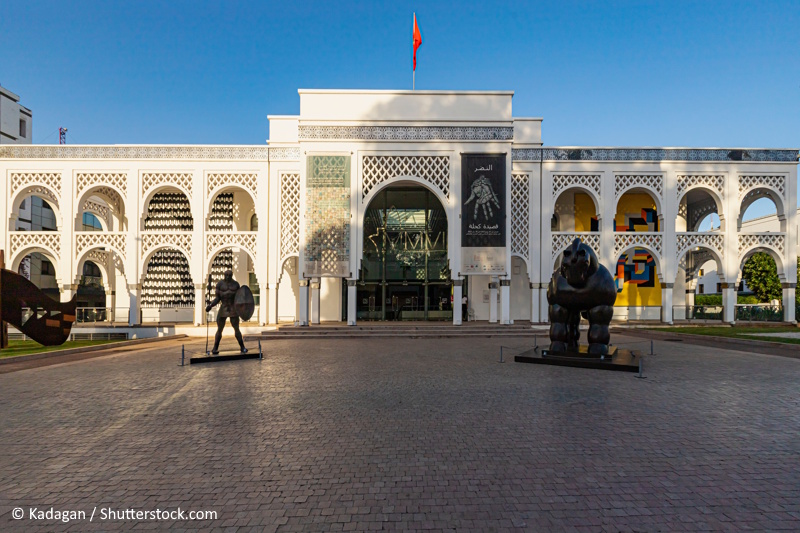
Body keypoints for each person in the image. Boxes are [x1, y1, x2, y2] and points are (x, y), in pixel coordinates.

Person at [205, 269, 247, 354]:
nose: (228, 277)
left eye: (229, 275)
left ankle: (242, 347)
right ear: (224, 275)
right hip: (223, 307)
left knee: (236, 329)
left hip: (233, 308)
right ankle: (215, 348)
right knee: (219, 329)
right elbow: (217, 298)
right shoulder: (220, 284)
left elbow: (239, 298)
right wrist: (210, 305)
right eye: (226, 275)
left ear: (232, 275)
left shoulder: (236, 284)